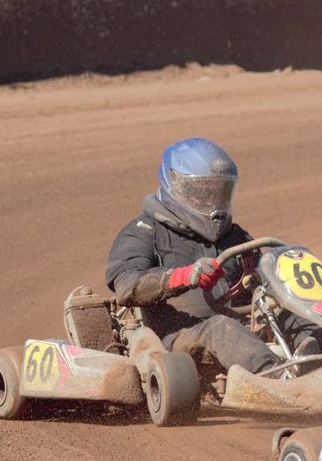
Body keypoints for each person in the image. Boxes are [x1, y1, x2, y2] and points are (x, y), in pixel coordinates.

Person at [105, 138, 281, 376]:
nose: (213, 202)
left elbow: (261, 279)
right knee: (221, 328)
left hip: (242, 333)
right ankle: (277, 379)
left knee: (293, 315)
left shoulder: (235, 236)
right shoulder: (143, 232)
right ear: (175, 188)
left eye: (220, 193)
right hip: (178, 340)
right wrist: (184, 276)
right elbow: (126, 286)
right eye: (201, 192)